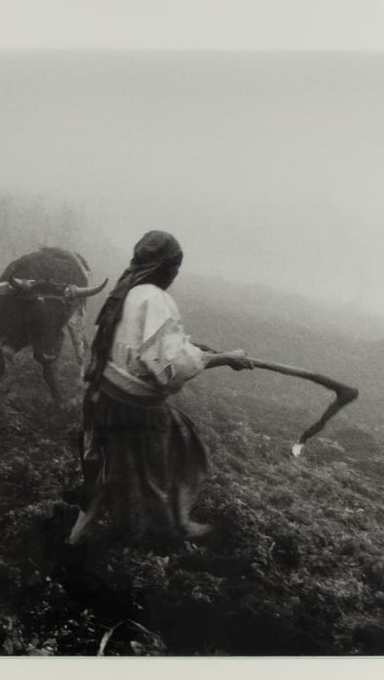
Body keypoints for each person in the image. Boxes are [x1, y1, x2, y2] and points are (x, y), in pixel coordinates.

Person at [69, 230, 251, 548]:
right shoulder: (156, 299)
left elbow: (136, 345)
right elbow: (171, 366)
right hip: (135, 410)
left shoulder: (126, 292)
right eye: (175, 270)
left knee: (103, 477)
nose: (174, 277)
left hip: (104, 399)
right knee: (185, 450)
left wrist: (189, 346)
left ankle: (78, 537)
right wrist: (223, 358)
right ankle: (170, 530)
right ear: (167, 269)